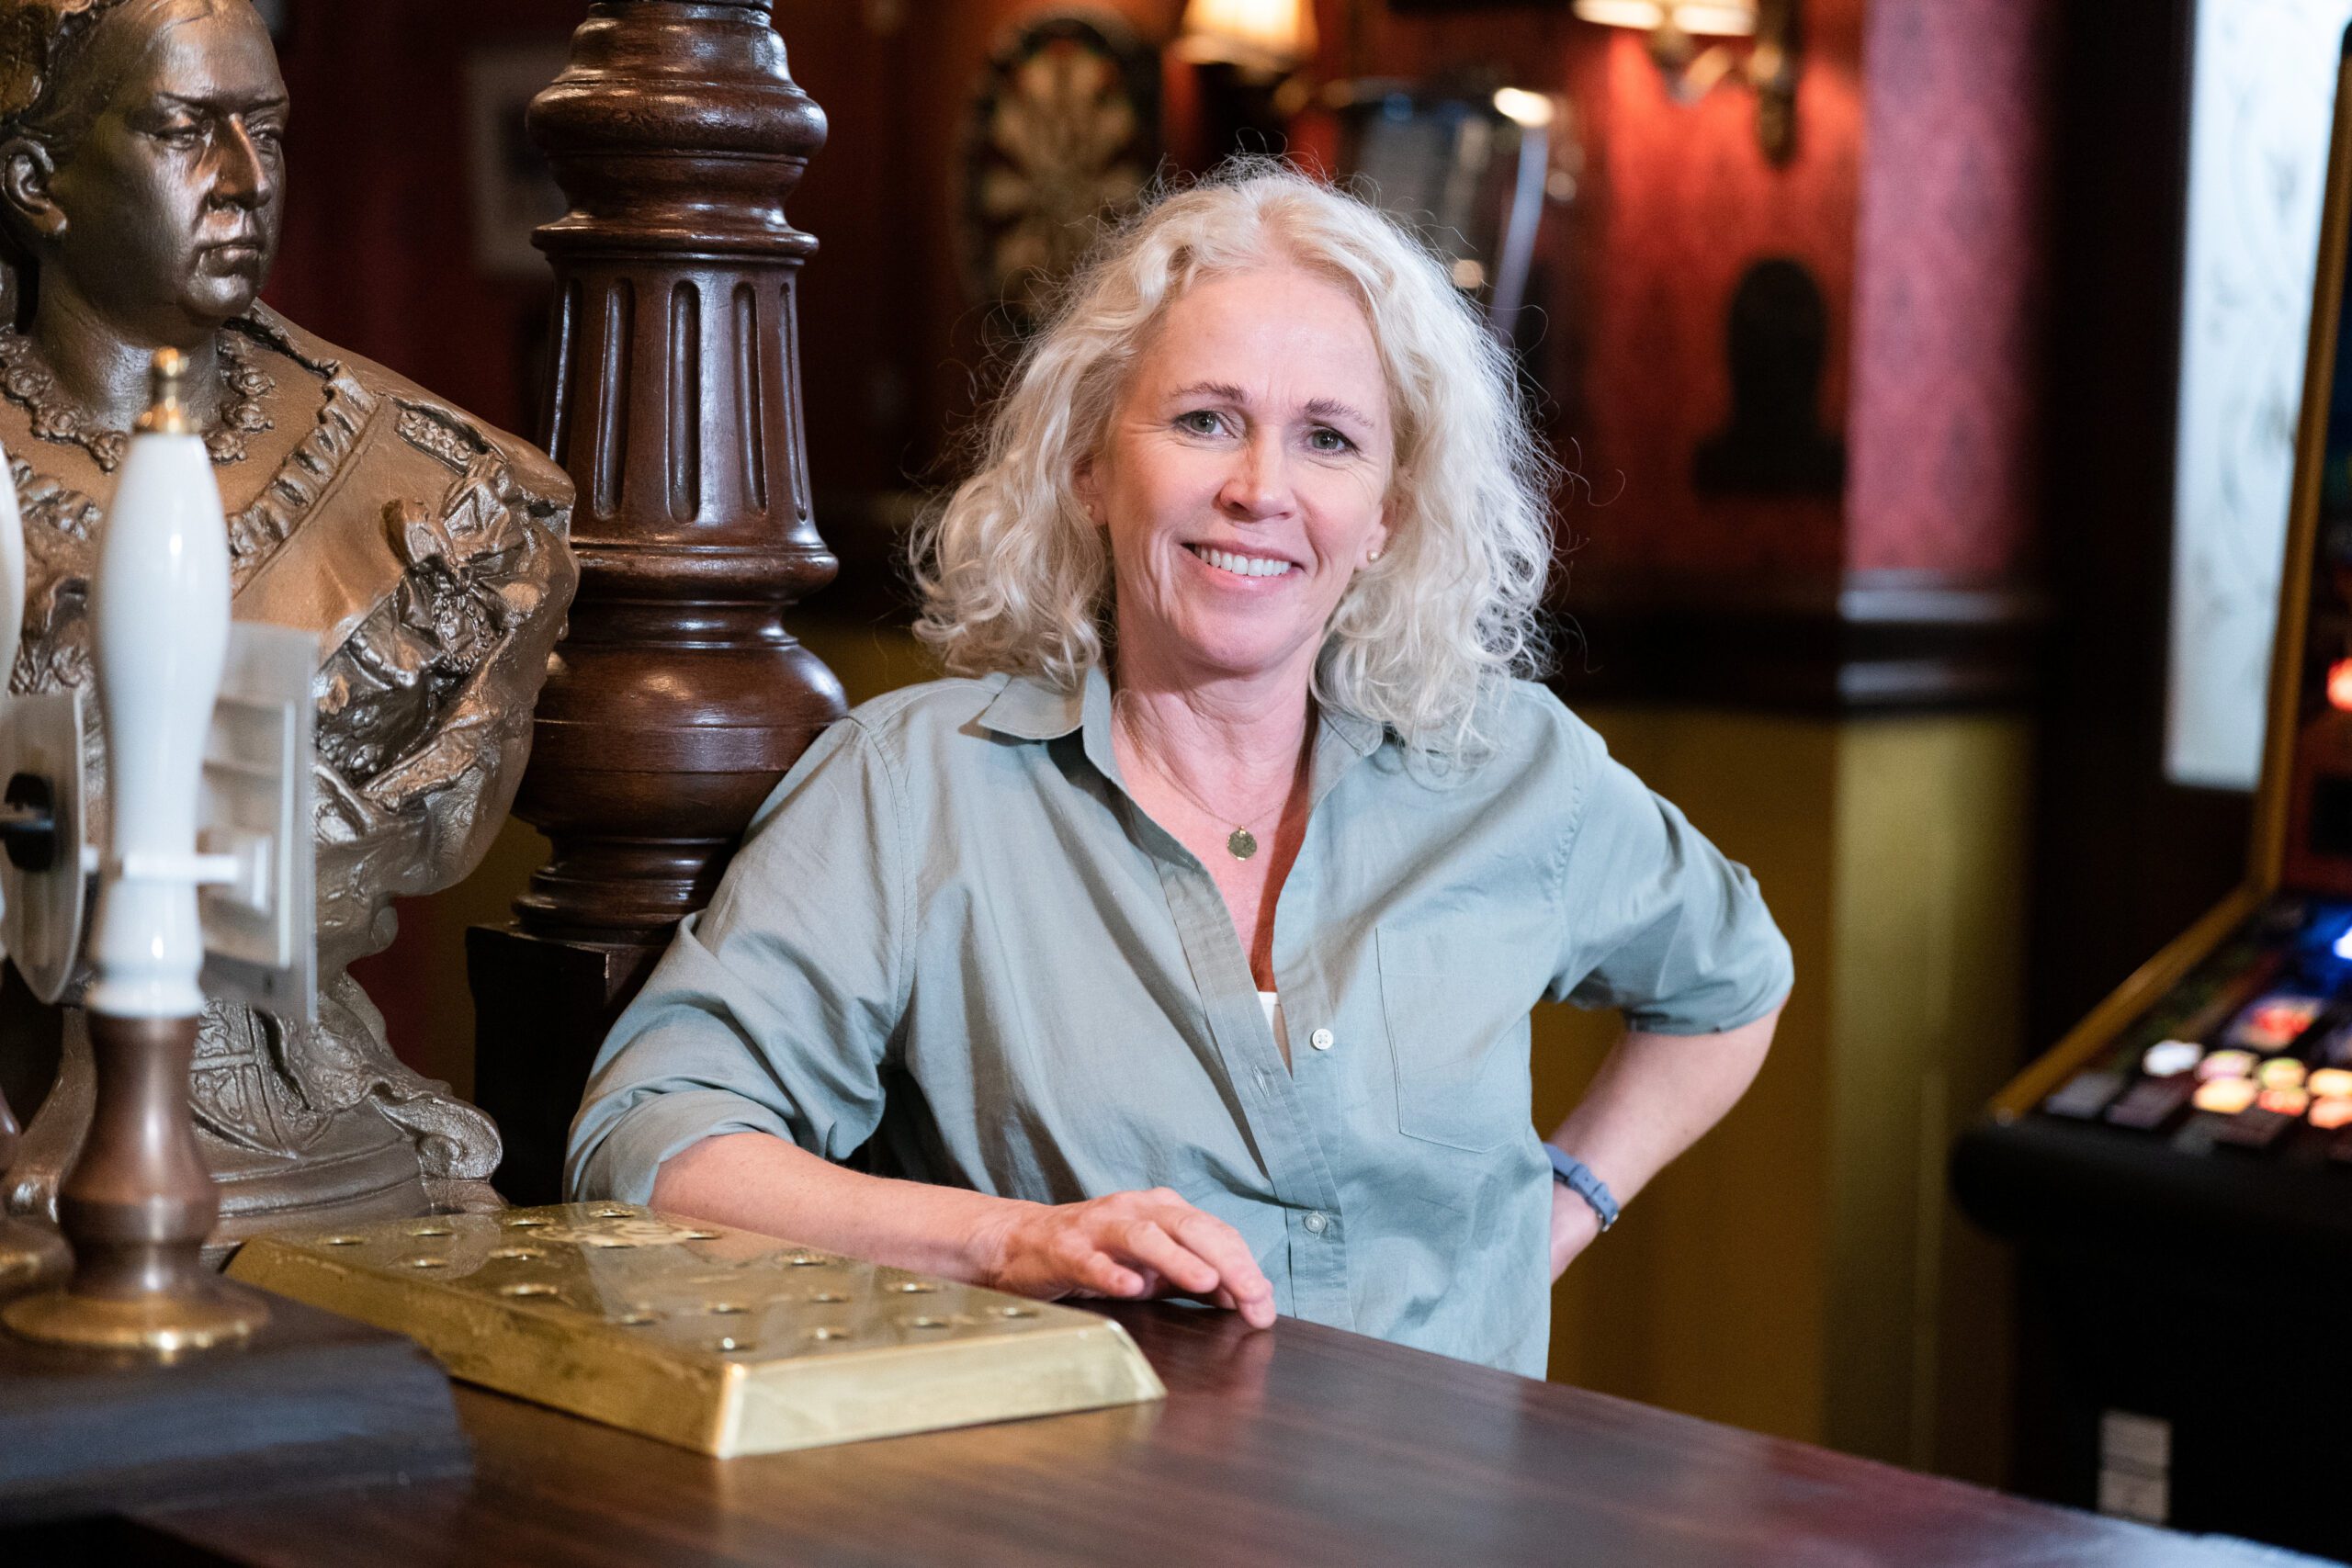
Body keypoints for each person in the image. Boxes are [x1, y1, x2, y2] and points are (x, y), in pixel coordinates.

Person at [568, 164, 1791, 1375]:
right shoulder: (918, 787)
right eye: (1205, 420)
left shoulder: (1510, 768)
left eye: (1328, 439)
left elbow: (1732, 985)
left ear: (1388, 518)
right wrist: (1012, 1244)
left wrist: (1559, 1210)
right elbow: (655, 1145)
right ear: (1090, 467)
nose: (1261, 489)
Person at [0, 0, 575, 1236]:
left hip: (323, 1139)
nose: (245, 181)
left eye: (267, 129)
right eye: (183, 131)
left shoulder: (456, 499)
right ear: (37, 182)